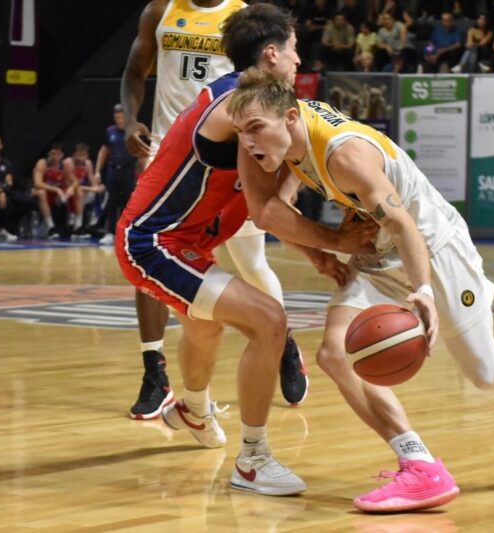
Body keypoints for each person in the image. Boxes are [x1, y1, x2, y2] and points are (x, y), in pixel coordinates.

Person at [229, 69, 494, 512]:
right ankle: (419, 464)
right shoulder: (284, 134)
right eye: (241, 132)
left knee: (488, 372)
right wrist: (322, 253)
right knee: (334, 354)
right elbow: (274, 207)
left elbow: (404, 225)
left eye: (255, 129)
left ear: (289, 117)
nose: (247, 142)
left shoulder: (346, 156)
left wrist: (422, 289)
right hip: (377, 249)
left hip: (432, 247)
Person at [116, 4, 376, 496]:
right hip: (154, 243)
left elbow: (268, 205)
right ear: (271, 53)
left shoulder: (252, 101)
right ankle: (253, 460)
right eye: (294, 49)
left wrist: (316, 254)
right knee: (269, 320)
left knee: (205, 325)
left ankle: (193, 410)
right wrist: (335, 242)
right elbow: (267, 211)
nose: (299, 59)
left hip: (187, 243)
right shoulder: (244, 110)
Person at [120, 0, 309, 420]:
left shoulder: (245, 17)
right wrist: (131, 120)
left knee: (251, 262)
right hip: (174, 145)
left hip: (232, 146)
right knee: (155, 257)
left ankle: (282, 342)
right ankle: (154, 372)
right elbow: (134, 71)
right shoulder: (160, 10)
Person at [96, 104, 136, 246]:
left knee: (130, 202)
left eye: (121, 117)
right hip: (113, 170)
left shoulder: (133, 131)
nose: (119, 120)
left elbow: (142, 153)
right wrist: (97, 171)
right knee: (111, 202)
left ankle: (128, 232)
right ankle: (110, 232)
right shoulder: (110, 132)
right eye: (116, 117)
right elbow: (104, 151)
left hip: (128, 171)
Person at [33, 143, 76, 239]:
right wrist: (56, 189)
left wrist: (72, 188)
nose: (55, 156)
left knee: (75, 191)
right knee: (41, 192)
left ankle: (74, 225)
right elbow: (37, 183)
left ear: (62, 155)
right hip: (42, 194)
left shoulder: (64, 165)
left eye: (58, 154)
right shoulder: (43, 163)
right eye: (53, 153)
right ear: (48, 154)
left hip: (56, 196)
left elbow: (75, 181)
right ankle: (51, 227)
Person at [67, 142, 100, 236]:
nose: (81, 157)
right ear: (74, 154)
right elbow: (74, 183)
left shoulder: (88, 163)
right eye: (79, 154)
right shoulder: (68, 162)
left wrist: (97, 187)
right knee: (79, 191)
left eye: (83, 154)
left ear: (87, 155)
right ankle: (77, 225)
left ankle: (94, 221)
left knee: (102, 190)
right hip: (68, 191)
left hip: (81, 191)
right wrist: (90, 188)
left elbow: (93, 183)